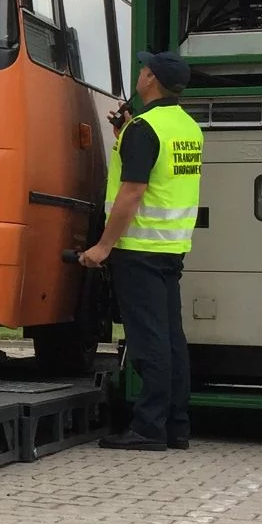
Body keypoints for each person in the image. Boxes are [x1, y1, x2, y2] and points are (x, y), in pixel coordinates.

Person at [79, 51, 204, 451]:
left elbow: (132, 194)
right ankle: (176, 427)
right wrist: (124, 137)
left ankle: (149, 429)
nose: (140, 73)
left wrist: (102, 246)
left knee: (149, 341)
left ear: (151, 79)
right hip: (171, 247)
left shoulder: (145, 129)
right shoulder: (186, 127)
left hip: (138, 248)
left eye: (143, 69)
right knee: (170, 338)